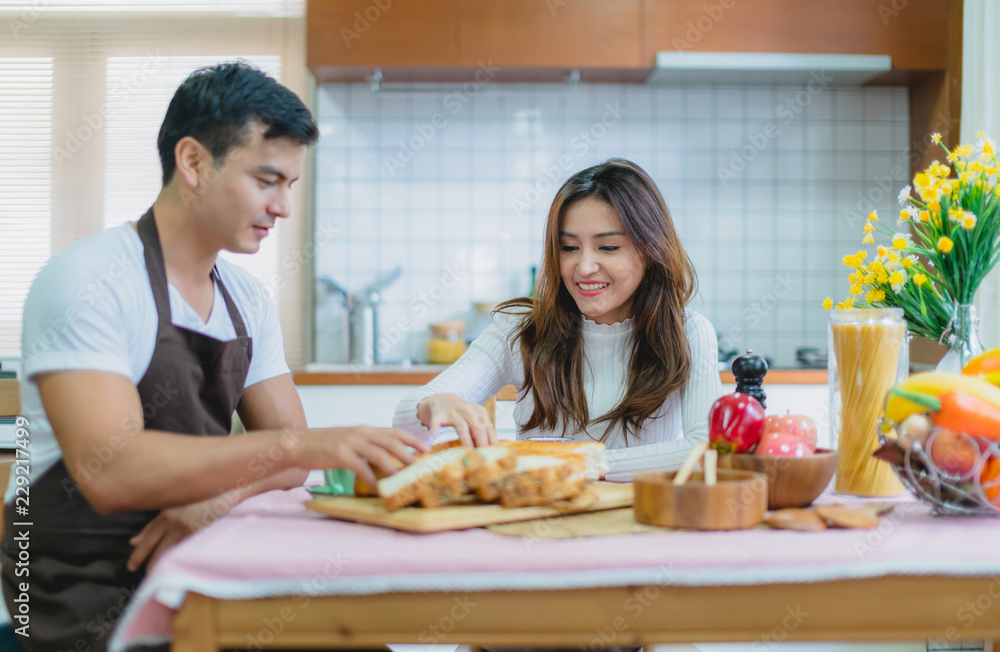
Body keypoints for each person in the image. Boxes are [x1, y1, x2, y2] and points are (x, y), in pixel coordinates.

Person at [2, 62, 425, 652]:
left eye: (290, 186)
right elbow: (110, 469)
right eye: (266, 180)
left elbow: (292, 464)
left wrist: (216, 500)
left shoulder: (245, 298)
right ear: (194, 162)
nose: (281, 206)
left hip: (200, 550)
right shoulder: (88, 280)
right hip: (81, 577)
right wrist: (301, 446)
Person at [393, 159, 721, 481]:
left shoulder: (689, 332)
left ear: (650, 252)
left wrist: (577, 463)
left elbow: (704, 448)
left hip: (639, 521)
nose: (584, 267)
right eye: (569, 247)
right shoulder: (521, 330)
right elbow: (407, 422)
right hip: (537, 521)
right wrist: (432, 405)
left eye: (607, 247)